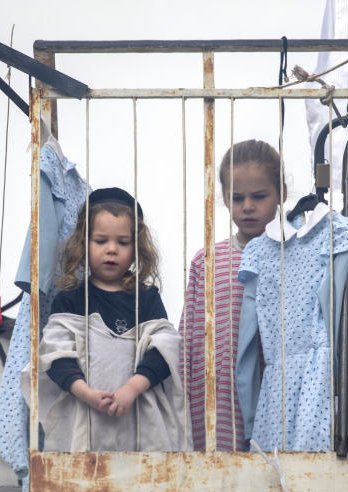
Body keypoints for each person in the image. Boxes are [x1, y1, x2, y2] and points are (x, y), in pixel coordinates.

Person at [23, 187, 189, 452]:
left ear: (136, 248)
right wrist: (86, 393)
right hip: (83, 420)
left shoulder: (146, 299)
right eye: (101, 241)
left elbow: (165, 351)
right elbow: (55, 357)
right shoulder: (71, 300)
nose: (112, 250)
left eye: (122, 243)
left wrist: (132, 388)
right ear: (83, 244)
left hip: (141, 424)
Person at [180, 140, 286, 451]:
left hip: (273, 389)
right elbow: (188, 337)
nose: (248, 206)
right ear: (225, 199)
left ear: (281, 194)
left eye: (259, 196)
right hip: (218, 396)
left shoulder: (292, 254)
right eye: (237, 198)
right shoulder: (207, 261)